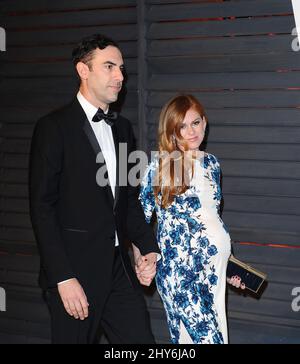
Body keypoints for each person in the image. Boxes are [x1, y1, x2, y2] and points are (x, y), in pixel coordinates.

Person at [29, 34, 160, 344]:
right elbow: (41, 208)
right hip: (74, 272)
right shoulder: (52, 128)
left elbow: (127, 200)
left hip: (118, 269)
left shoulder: (124, 129)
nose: (120, 77)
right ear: (83, 71)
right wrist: (63, 277)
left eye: (122, 69)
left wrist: (148, 248)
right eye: (110, 67)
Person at [136, 94, 244, 344]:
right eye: (182, 126)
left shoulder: (213, 165)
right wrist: (142, 260)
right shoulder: (160, 166)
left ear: (205, 123)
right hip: (179, 274)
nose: (191, 131)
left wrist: (230, 265)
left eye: (195, 123)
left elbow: (212, 219)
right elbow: (138, 220)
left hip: (214, 272)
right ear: (172, 132)